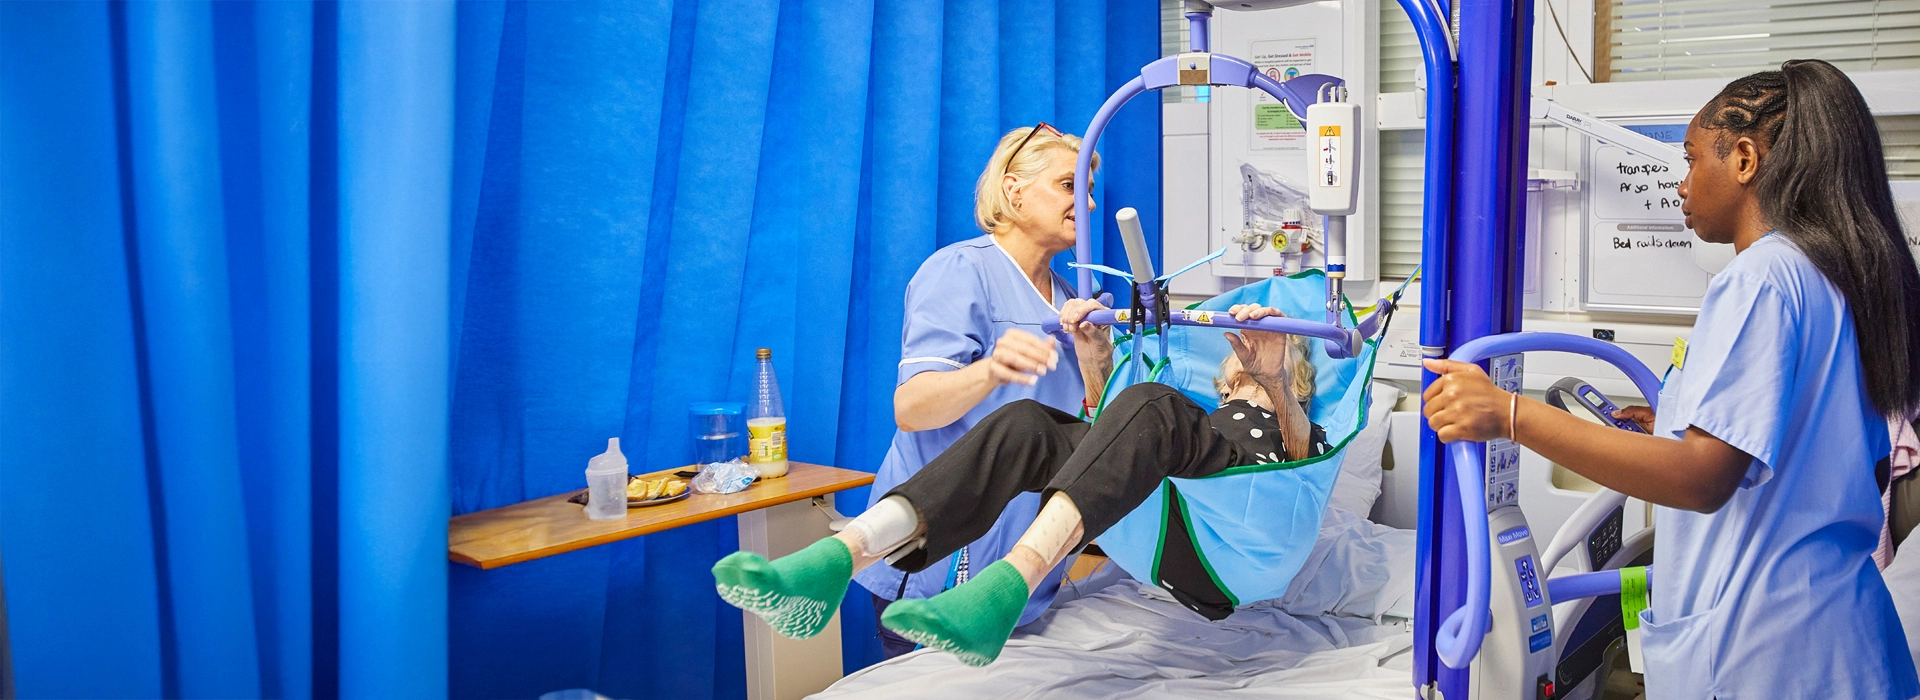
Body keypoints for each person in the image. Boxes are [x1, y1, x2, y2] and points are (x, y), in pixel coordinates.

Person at [1422, 59, 1920, 698]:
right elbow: (1808, 443)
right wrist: (1675, 425)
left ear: (1743, 159)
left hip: (1768, 655)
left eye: (1690, 160)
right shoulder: (1843, 276)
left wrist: (1509, 415)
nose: (1681, 184)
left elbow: (1703, 478)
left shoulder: (1761, 280)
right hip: (1840, 641)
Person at [714, 304, 1328, 666]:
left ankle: (1006, 586)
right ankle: (839, 558)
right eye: (1225, 387)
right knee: (1028, 422)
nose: (1228, 393)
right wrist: (1094, 358)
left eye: (1236, 386)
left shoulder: (1299, 420)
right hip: (1172, 516)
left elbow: (1296, 456)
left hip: (1233, 542)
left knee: (1151, 404)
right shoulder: (1194, 418)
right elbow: (1108, 445)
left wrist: (1270, 381)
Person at [849, 123, 1112, 659]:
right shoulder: (960, 271)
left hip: (1022, 578)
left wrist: (1095, 360)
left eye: (1088, 190)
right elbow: (913, 408)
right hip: (940, 561)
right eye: (1068, 186)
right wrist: (991, 370)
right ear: (1014, 192)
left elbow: (1094, 435)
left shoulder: (1071, 301)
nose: (1084, 203)